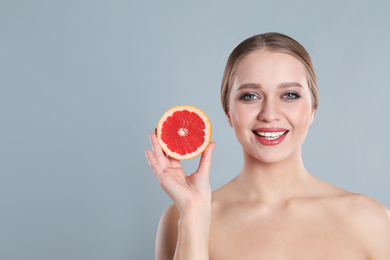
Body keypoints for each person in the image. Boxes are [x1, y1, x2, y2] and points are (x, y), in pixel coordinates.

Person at [145, 32, 390, 260]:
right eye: (250, 96)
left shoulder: (372, 219)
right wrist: (193, 213)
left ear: (313, 108)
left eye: (290, 95)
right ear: (228, 112)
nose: (270, 114)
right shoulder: (181, 216)